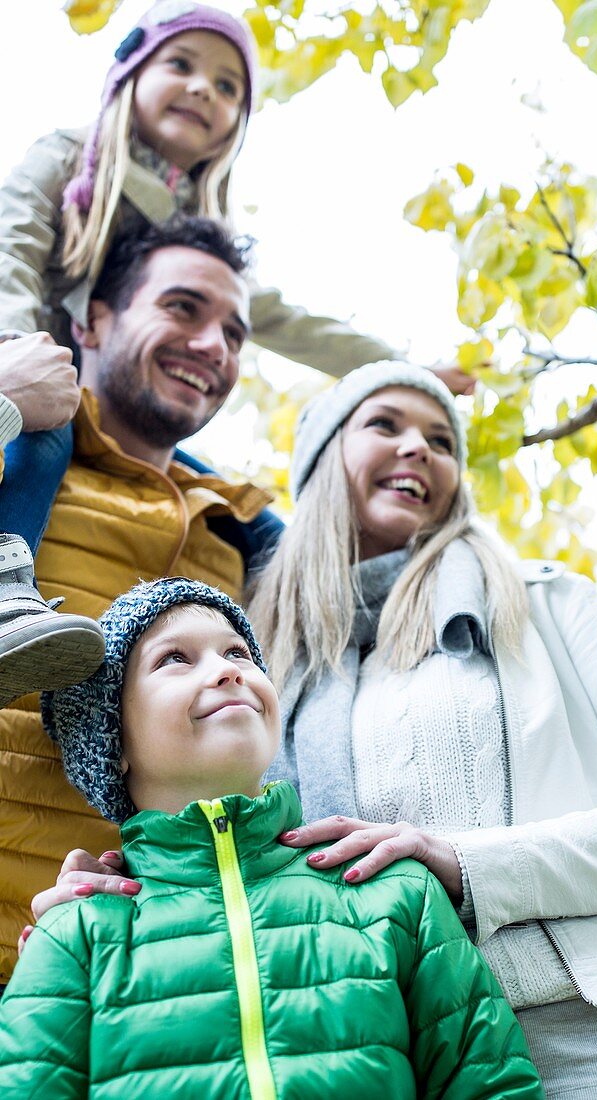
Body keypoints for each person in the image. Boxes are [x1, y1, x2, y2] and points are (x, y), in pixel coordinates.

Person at [242, 362, 597, 1099]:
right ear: (323, 459)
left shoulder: (546, 605)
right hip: (362, 1053)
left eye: (439, 439)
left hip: (572, 1038)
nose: (420, 449)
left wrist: (469, 864)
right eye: (384, 424)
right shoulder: (264, 667)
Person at [0, 1, 471, 705]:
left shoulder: (198, 223)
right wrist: (15, 352)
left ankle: (335, 613)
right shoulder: (70, 157)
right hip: (48, 379)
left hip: (106, 412)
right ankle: (10, 589)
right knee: (41, 446)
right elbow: (13, 241)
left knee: (245, 514)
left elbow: (286, 320)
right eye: (182, 66)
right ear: (130, 73)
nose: (202, 90)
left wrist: (399, 368)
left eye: (227, 87)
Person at [0, 576, 542, 1099]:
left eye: (237, 653)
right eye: (175, 659)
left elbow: (490, 1083)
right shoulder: (75, 933)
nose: (226, 672)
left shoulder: (395, 890)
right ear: (112, 740)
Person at [0, 214, 284, 983]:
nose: (213, 346)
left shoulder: (238, 536)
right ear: (94, 318)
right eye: (184, 309)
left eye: (234, 332)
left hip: (125, 994)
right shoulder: (18, 445)